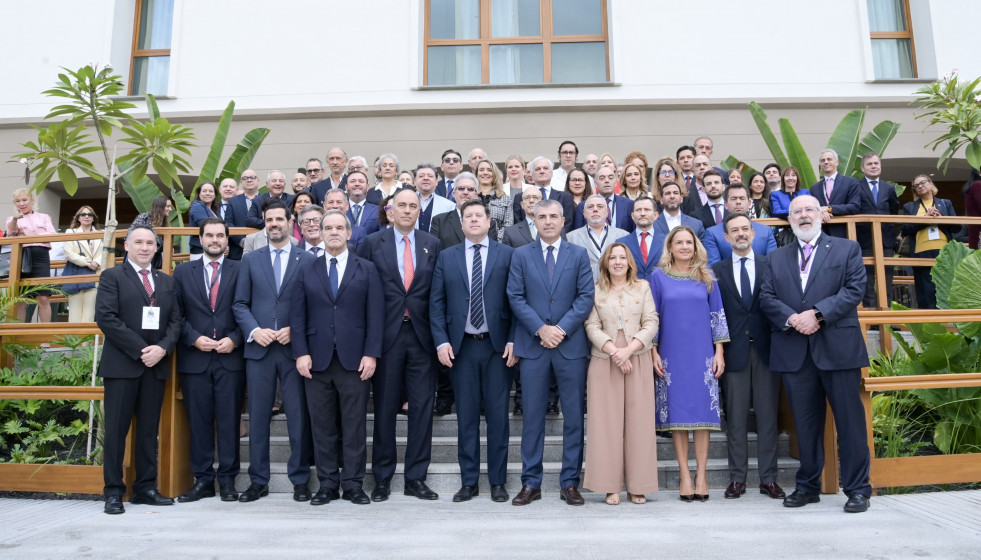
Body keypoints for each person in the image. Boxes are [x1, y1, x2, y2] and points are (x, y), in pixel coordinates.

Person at [759, 195, 872, 513]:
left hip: (838, 349)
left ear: (821, 214)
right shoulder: (777, 258)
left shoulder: (846, 248)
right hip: (795, 349)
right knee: (805, 425)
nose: (804, 215)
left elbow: (853, 289)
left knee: (850, 423)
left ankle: (858, 488)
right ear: (790, 219)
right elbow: (766, 297)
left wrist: (817, 314)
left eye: (809, 209)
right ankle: (808, 486)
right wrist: (793, 317)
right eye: (797, 211)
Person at [507, 199, 595, 507]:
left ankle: (570, 482)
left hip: (569, 347)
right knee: (532, 417)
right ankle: (531, 482)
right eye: (541, 216)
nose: (547, 221)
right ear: (534, 219)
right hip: (533, 347)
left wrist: (560, 329)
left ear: (563, 220)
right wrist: (540, 329)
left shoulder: (579, 254)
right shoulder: (520, 255)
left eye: (553, 216)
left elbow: (586, 297)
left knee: (573, 417)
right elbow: (515, 297)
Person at [293, 210, 384, 506]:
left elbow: (376, 315)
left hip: (355, 360)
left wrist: (371, 354)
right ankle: (328, 484)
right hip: (316, 361)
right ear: (320, 232)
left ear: (349, 233)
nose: (333, 232)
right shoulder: (307, 268)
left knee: (355, 425)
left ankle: (354, 484)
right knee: (322, 427)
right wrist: (301, 353)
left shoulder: (367, 268)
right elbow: (298, 315)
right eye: (327, 227)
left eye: (339, 227)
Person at [430, 199, 517, 503]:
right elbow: (436, 304)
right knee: (465, 417)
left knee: (498, 419)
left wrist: (514, 340)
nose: (475, 220)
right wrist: (441, 341)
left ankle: (497, 481)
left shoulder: (508, 255)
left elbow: (517, 302)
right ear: (462, 222)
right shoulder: (446, 257)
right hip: (461, 348)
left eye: (480, 215)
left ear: (489, 221)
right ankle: (469, 482)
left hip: (498, 348)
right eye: (469, 216)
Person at [357, 189, 442, 502]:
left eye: (413, 206)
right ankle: (382, 478)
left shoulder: (432, 244)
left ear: (419, 211)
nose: (407, 210)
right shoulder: (370, 244)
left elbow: (437, 293)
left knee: (422, 410)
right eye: (401, 205)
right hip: (386, 338)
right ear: (389, 211)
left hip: (422, 338)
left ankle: (416, 478)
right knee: (384, 410)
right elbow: (360, 292)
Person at [233, 200, 316, 503]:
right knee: (257, 418)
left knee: (297, 416)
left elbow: (314, 305)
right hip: (260, 351)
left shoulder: (306, 259)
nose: (274, 224)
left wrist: (295, 329)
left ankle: (300, 479)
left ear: (290, 221)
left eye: (279, 219)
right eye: (269, 220)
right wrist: (255, 331)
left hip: (294, 349)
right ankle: (258, 480)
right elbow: (240, 303)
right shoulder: (251, 261)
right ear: (264, 223)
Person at [96, 225, 182, 514]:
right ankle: (113, 492)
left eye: (150, 243)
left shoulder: (166, 281)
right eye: (139, 242)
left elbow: (176, 322)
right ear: (127, 246)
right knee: (116, 432)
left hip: (155, 366)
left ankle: (145, 488)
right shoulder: (112, 277)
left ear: (156, 248)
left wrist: (162, 349)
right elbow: (106, 318)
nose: (145, 248)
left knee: (148, 432)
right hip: (122, 366)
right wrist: (141, 349)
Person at [648, 226, 728, 502]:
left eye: (689, 243)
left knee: (702, 418)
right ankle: (684, 474)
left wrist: (719, 353)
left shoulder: (707, 276)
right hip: (671, 355)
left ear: (696, 247)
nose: (684, 247)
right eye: (679, 242)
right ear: (669, 247)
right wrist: (653, 352)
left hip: (702, 355)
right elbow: (652, 317)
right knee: (679, 419)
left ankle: (702, 475)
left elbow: (717, 315)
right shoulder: (657, 278)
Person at [710, 214, 784, 501]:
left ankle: (769, 479)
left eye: (745, 229)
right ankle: (737, 479)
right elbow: (716, 314)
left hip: (768, 351)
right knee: (737, 419)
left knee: (768, 418)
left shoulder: (772, 265)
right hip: (733, 354)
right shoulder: (717, 271)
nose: (740, 234)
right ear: (726, 238)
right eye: (734, 231)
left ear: (753, 233)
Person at [173, 218, 244, 503]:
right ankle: (202, 480)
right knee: (199, 422)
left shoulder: (241, 270)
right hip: (195, 358)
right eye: (209, 235)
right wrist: (193, 338)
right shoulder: (182, 272)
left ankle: (228, 481)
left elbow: (248, 309)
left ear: (227, 240)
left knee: (229, 421)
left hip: (230, 358)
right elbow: (176, 315)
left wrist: (235, 338)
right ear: (200, 239)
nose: (215, 240)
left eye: (220, 235)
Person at [583, 243, 659, 505]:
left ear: (629, 262)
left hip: (637, 357)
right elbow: (591, 324)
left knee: (640, 423)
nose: (617, 262)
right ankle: (609, 486)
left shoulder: (643, 287)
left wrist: (629, 350)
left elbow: (651, 321)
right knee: (605, 424)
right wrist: (615, 351)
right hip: (605, 359)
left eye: (622, 258)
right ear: (605, 263)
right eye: (612, 258)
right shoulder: (595, 291)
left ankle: (638, 485)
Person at [901, 175, 958, 309]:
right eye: (916, 186)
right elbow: (905, 229)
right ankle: (928, 323)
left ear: (931, 183)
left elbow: (957, 227)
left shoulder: (945, 203)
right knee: (925, 291)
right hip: (921, 252)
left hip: (943, 251)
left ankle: (947, 324)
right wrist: (924, 219)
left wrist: (941, 218)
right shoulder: (910, 207)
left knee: (944, 287)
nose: (920, 186)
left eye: (923, 183)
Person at [856, 153, 900, 308]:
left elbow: (894, 210)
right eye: (869, 164)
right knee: (867, 279)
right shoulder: (856, 186)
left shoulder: (889, 188)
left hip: (886, 240)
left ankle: (886, 315)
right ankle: (873, 319)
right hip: (864, 239)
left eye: (876, 163)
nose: (873, 166)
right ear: (863, 168)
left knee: (887, 279)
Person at [6, 188, 57, 322]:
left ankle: (44, 339)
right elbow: (10, 233)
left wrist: (29, 236)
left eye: (24, 200)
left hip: (41, 256)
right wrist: (15, 221)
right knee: (20, 299)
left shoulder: (43, 216)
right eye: (18, 201)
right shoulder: (12, 219)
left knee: (43, 297)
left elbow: (52, 234)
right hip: (21, 257)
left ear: (31, 200)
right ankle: (16, 340)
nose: (21, 204)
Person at [703, 183, 778, 265]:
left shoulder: (766, 231)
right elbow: (714, 269)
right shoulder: (713, 233)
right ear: (726, 205)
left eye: (742, 198)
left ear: (749, 203)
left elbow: (773, 264)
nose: (738, 202)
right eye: (734, 199)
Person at [567, 194, 629, 283]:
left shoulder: (623, 235)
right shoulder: (570, 238)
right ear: (584, 213)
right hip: (583, 291)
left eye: (600, 207)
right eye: (590, 207)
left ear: (607, 212)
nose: (595, 209)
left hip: (615, 291)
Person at [512, 156, 576, 232]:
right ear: (531, 174)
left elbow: (568, 225)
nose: (542, 171)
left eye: (545, 168)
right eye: (538, 169)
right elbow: (518, 225)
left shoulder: (565, 197)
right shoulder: (520, 197)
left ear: (552, 173)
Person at [63, 205, 103, 322]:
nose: (87, 216)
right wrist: (87, 262)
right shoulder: (70, 232)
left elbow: (106, 252)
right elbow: (68, 253)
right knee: (74, 314)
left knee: (90, 314)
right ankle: (74, 340)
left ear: (93, 218)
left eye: (90, 214)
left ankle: (87, 341)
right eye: (83, 214)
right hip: (77, 276)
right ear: (78, 218)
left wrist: (96, 262)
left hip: (95, 275)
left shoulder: (101, 233)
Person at [810, 149, 862, 239]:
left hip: (845, 233)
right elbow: (813, 210)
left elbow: (854, 207)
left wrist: (829, 209)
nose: (826, 162)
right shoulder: (814, 188)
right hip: (822, 235)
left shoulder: (850, 182)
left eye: (829, 159)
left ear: (837, 162)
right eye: (823, 160)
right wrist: (821, 212)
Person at [573, 164, 635, 232]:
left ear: (616, 183)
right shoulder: (583, 206)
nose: (607, 181)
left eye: (610, 178)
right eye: (602, 178)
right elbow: (578, 234)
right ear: (595, 183)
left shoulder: (629, 204)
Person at [617, 196, 661, 280]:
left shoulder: (667, 242)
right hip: (631, 290)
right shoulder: (621, 243)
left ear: (656, 215)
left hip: (659, 291)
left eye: (647, 210)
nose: (642, 213)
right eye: (638, 210)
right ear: (632, 216)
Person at [474, 159, 514, 243]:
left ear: (494, 174)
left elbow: (508, 225)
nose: (485, 173)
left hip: (497, 244)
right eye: (481, 170)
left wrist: (494, 241)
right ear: (476, 174)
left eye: (489, 170)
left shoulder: (505, 199)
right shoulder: (471, 197)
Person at [188, 182, 221, 259]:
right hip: (200, 250)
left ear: (215, 195)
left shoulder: (215, 209)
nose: (207, 193)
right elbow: (206, 225)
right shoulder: (197, 206)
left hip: (215, 249)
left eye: (210, 191)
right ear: (199, 194)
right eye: (204, 191)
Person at [345, 170, 380, 235]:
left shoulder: (378, 211)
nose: (357, 184)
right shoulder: (340, 210)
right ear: (346, 187)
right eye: (353, 181)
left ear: (367, 187)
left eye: (361, 181)